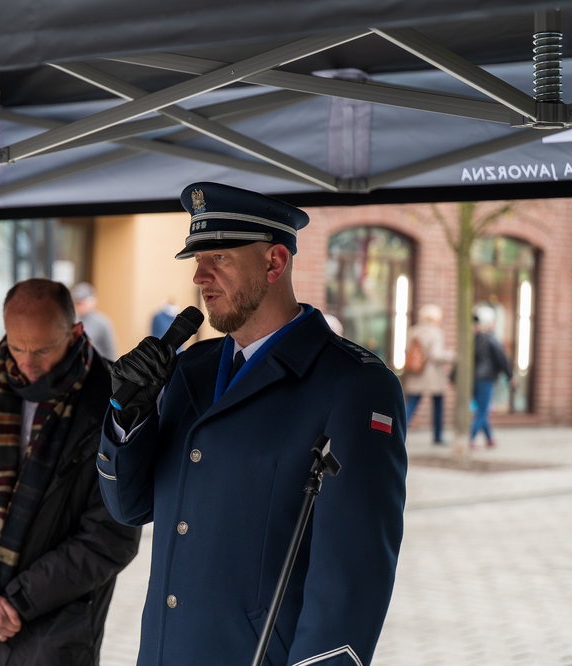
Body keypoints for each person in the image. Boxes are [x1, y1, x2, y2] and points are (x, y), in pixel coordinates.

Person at [95, 182, 407, 666]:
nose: (200, 275)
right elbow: (129, 507)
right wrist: (127, 416)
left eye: (218, 257)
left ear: (274, 263)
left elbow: (353, 574)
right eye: (197, 260)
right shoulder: (188, 370)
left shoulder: (352, 385)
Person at [0, 278, 141, 665]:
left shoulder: (114, 402)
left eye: (42, 349)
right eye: (17, 346)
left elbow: (112, 535)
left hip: (56, 628)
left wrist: (16, 601)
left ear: (75, 333)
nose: (27, 363)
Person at [402, 304, 454, 445]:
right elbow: (436, 355)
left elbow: (407, 350)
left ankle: (399, 433)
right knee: (437, 403)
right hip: (432, 374)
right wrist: (452, 355)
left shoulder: (414, 330)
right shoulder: (435, 332)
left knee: (412, 402)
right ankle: (438, 436)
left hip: (416, 372)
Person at [471, 305, 516, 449]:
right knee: (483, 410)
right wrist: (510, 376)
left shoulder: (475, 338)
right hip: (485, 379)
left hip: (475, 378)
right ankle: (470, 438)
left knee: (482, 409)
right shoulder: (491, 338)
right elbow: (502, 358)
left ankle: (489, 438)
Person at [71, 281, 119, 360]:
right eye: (76, 303)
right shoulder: (72, 320)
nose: (79, 306)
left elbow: (110, 350)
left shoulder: (102, 322)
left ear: (91, 302)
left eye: (81, 303)